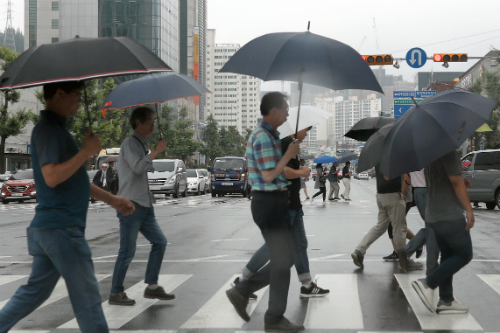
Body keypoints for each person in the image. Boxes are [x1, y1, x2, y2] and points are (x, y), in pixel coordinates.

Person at [0, 81, 135, 333]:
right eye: (77, 95)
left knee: (33, 293)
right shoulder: (50, 130)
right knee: (88, 298)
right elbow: (51, 176)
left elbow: (74, 180)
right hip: (61, 229)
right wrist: (85, 153)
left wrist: (112, 199)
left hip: (49, 229)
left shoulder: (58, 131)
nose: (79, 101)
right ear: (59, 94)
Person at [225, 92, 302, 332]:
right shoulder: (264, 137)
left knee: (285, 259)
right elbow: (269, 175)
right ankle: (249, 296)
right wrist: (288, 156)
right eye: (285, 108)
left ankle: (269, 313)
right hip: (269, 203)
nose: (288, 113)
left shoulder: (269, 135)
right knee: (284, 260)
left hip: (271, 202)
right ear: (273, 111)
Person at [232, 128, 329, 301]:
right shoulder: (282, 144)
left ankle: (306, 285)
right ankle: (243, 280)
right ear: (296, 129)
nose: (306, 134)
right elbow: (280, 171)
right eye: (305, 131)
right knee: (273, 247)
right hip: (285, 204)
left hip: (294, 204)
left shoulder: (292, 145)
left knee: (300, 244)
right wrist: (301, 173)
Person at [109, 107, 172, 306]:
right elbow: (137, 168)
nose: (153, 125)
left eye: (154, 121)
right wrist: (155, 152)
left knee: (160, 242)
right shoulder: (130, 143)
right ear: (138, 123)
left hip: (145, 204)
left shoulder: (140, 143)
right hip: (130, 205)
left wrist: (152, 151)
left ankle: (152, 286)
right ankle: (116, 292)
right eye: (149, 122)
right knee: (127, 250)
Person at [412, 151, 474, 314]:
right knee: (464, 254)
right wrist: (469, 209)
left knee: (447, 255)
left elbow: (442, 180)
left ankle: (446, 299)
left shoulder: (429, 153)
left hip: (434, 212)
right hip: (450, 213)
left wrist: (462, 180)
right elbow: (455, 181)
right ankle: (429, 283)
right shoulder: (448, 151)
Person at [351, 165, 409, 271]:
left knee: (380, 227)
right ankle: (403, 260)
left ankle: (359, 251)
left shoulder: (379, 157)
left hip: (381, 195)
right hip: (393, 195)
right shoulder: (393, 158)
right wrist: (402, 192)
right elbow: (392, 177)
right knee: (399, 228)